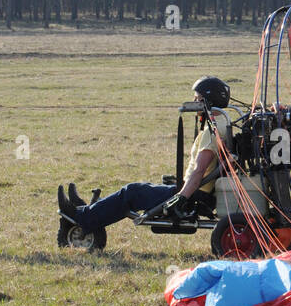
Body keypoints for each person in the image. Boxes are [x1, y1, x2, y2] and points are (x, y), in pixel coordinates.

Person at [58, 76, 232, 245]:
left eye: (197, 98)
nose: (194, 101)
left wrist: (180, 198)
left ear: (207, 100)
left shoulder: (213, 131)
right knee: (139, 189)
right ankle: (83, 210)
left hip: (193, 194)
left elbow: (200, 170)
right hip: (195, 190)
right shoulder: (222, 123)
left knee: (132, 191)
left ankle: (81, 216)